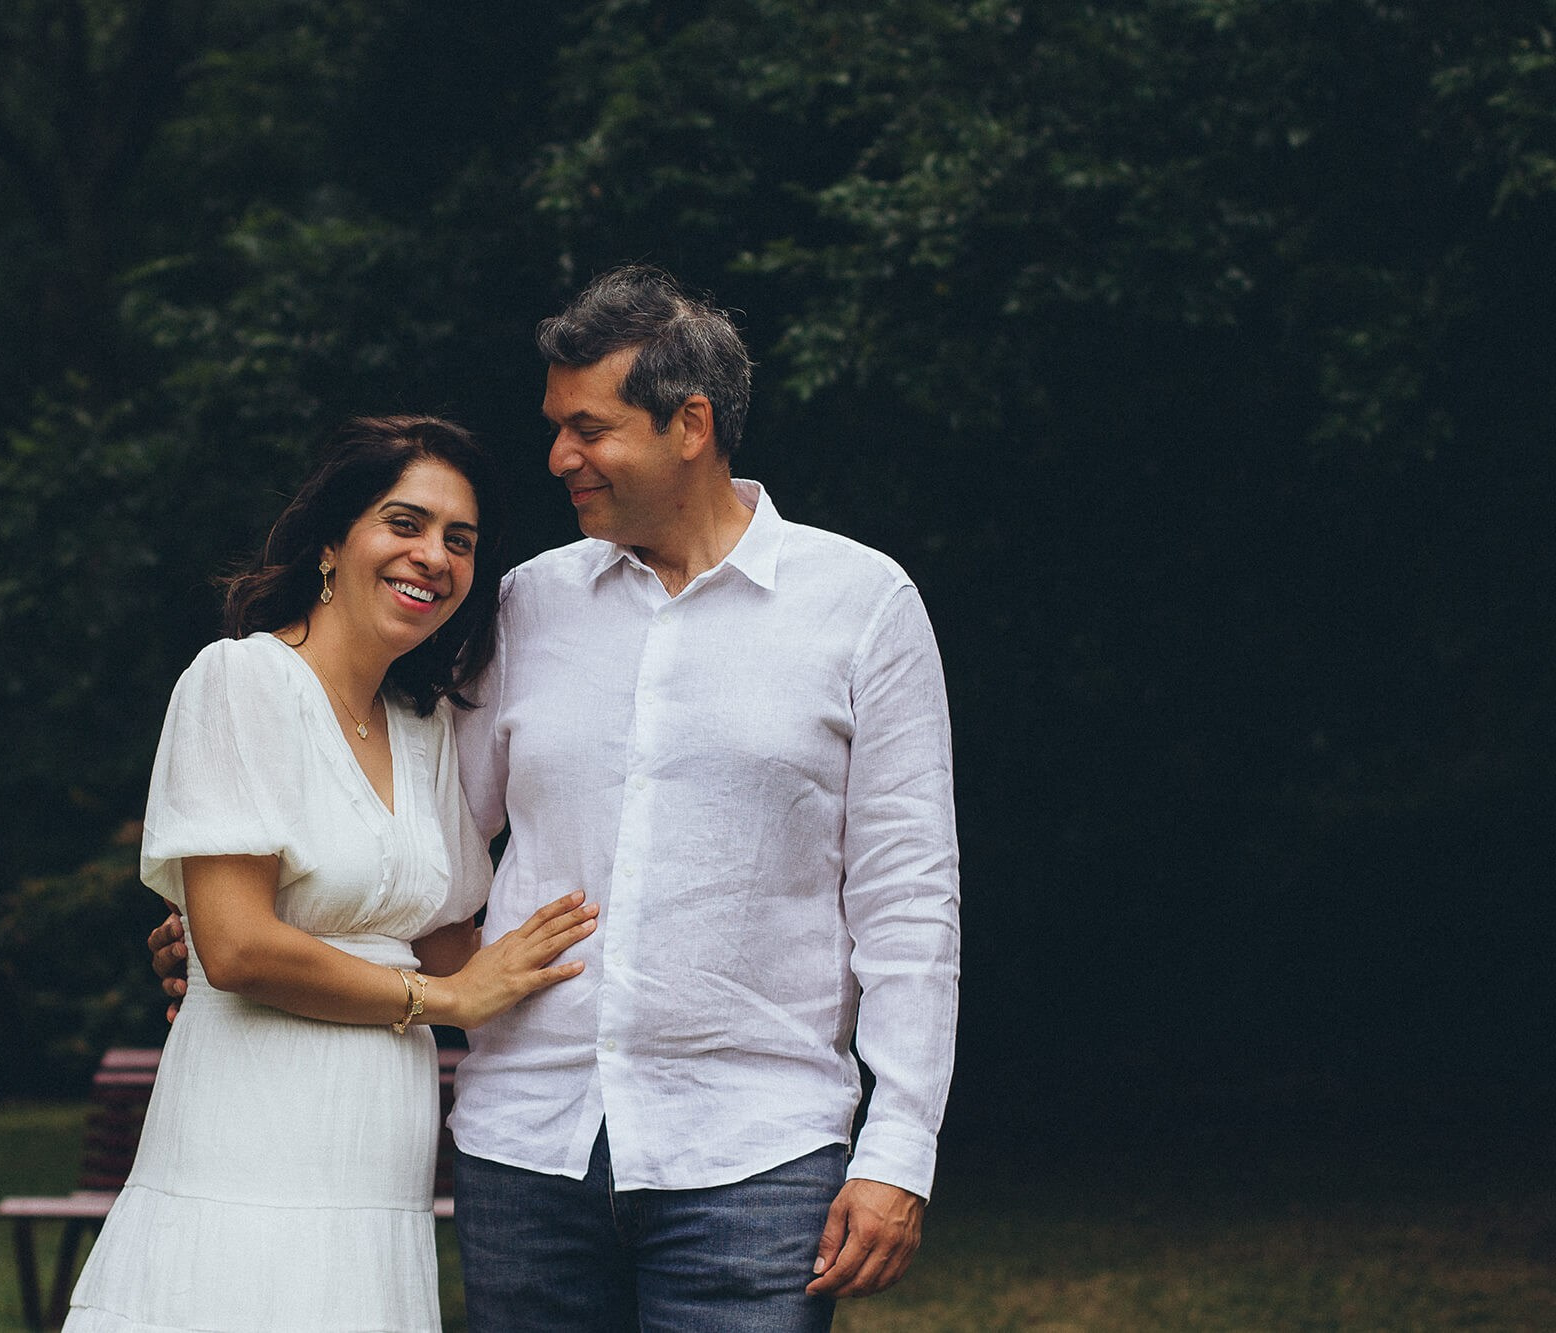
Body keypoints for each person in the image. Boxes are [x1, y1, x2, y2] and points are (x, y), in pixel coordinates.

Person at [153, 266, 960, 1331]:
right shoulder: (529, 604)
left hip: (752, 1151)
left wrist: (897, 1147)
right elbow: (425, 853)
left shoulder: (859, 606)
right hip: (523, 1145)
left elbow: (909, 904)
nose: (556, 458)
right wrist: (243, 929)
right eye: (553, 426)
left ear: (690, 425)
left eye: (587, 428)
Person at [67, 415, 598, 1333]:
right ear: (331, 542)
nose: (433, 555)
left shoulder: (423, 727)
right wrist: (444, 1002)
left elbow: (448, 937)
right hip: (251, 1133)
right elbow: (233, 946)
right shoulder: (241, 681)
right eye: (406, 523)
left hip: (373, 1166)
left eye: (459, 541)